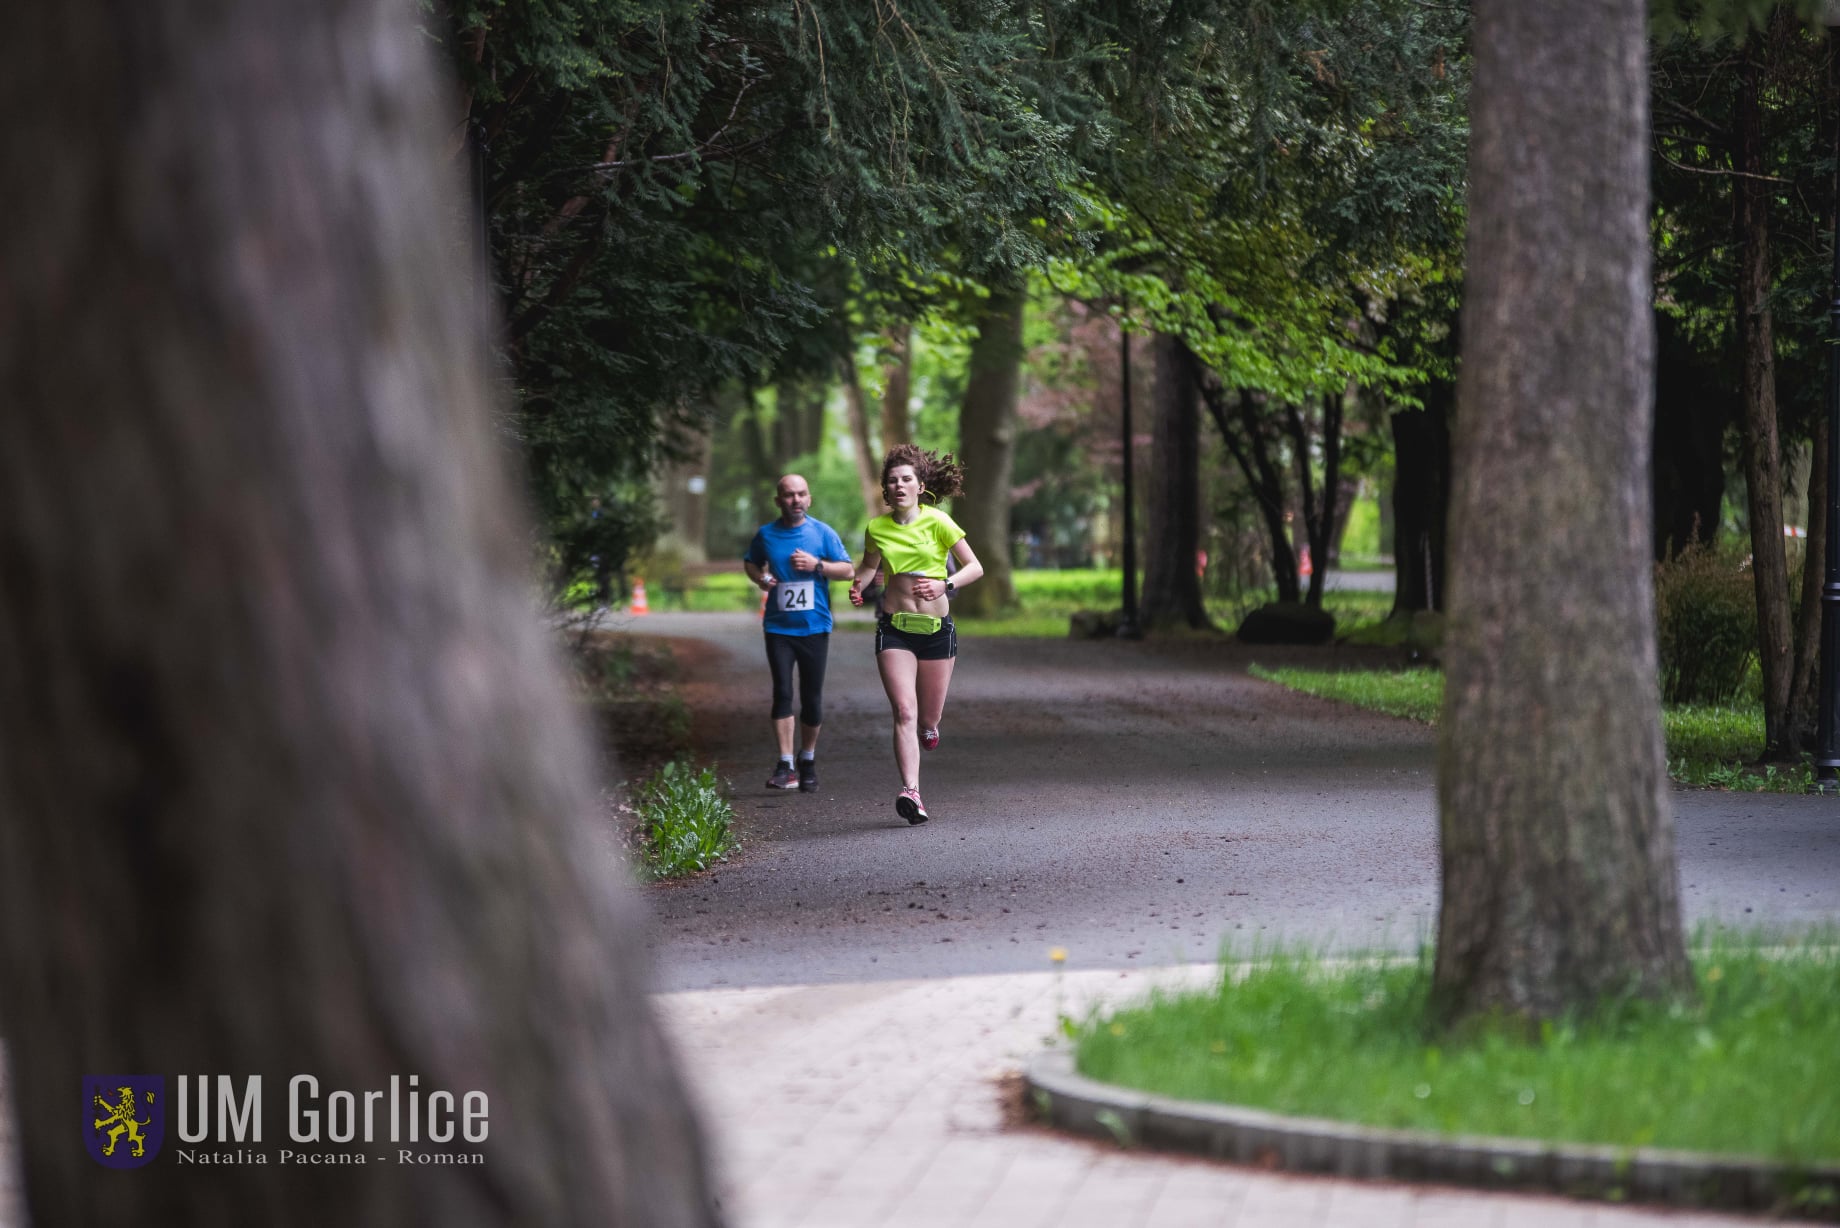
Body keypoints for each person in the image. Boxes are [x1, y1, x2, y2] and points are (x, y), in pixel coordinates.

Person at [849, 444, 984, 824]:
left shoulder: (939, 522)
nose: (899, 485)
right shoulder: (876, 528)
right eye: (892, 481)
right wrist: (858, 585)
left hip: (938, 632)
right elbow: (870, 565)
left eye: (906, 479)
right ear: (886, 490)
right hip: (895, 629)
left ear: (921, 485)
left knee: (927, 718)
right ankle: (912, 791)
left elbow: (975, 567)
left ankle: (930, 728)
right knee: (904, 711)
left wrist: (947, 586)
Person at [743, 473, 853, 792]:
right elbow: (751, 563)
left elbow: (847, 570)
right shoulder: (766, 535)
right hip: (778, 627)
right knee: (782, 692)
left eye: (801, 494)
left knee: (811, 698)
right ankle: (785, 764)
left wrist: (817, 565)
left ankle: (808, 760)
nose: (796, 500)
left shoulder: (822, 533)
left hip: (815, 627)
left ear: (809, 498)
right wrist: (761, 579)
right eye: (789, 495)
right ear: (778, 501)